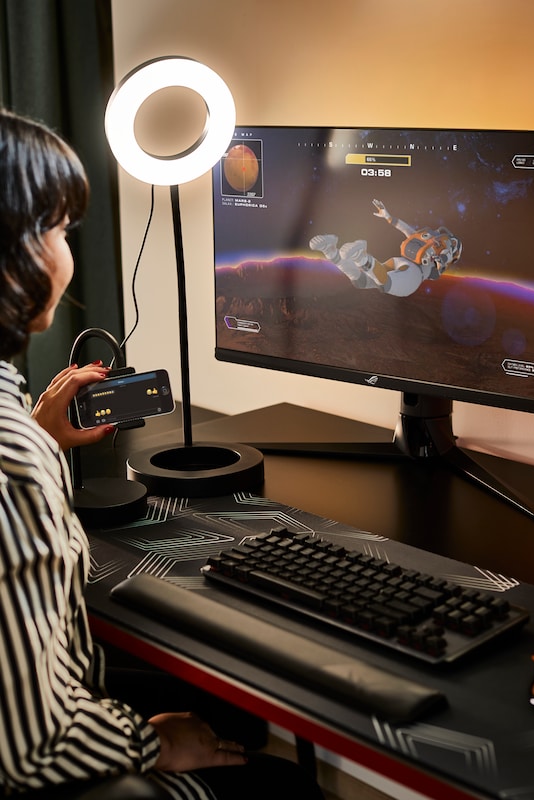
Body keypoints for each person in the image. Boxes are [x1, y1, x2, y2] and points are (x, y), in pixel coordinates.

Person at [0, 108, 325, 800]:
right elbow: (33, 750)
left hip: (51, 693)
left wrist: (38, 436)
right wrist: (151, 740)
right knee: (280, 786)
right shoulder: (14, 468)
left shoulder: (16, 442)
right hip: (50, 765)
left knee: (229, 698)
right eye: (58, 230)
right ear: (15, 257)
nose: (66, 250)